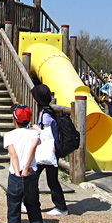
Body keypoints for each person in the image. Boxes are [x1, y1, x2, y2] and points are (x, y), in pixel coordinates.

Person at [4, 104, 46, 223]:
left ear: (14, 120)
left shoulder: (9, 135)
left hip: (15, 175)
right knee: (33, 206)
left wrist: (18, 171)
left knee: (13, 211)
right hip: (30, 174)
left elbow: (13, 154)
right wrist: (26, 168)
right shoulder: (34, 134)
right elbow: (33, 148)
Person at [31, 83, 68, 216]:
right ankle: (60, 205)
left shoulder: (45, 114)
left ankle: (59, 206)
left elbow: (47, 134)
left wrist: (36, 128)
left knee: (35, 176)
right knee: (50, 179)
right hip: (52, 150)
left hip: (48, 151)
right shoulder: (49, 110)